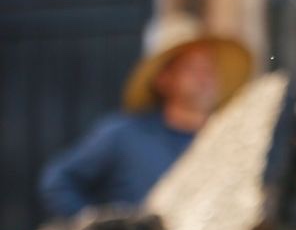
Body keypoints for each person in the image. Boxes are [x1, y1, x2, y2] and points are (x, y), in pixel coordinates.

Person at [39, 13, 252, 217]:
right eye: (191, 68)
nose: (204, 77)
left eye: (208, 67)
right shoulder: (123, 136)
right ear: (163, 80)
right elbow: (58, 181)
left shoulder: (231, 142)